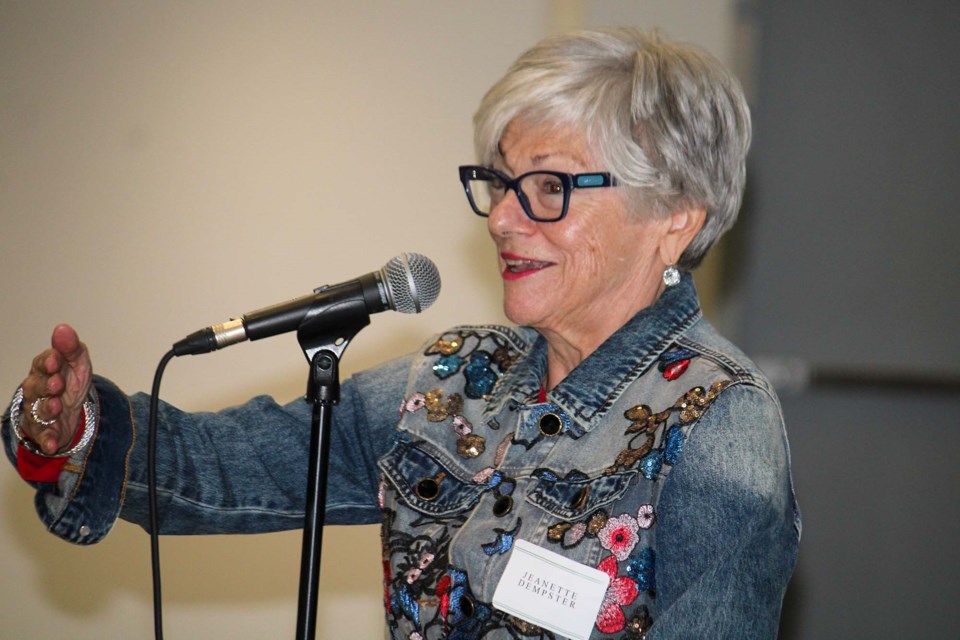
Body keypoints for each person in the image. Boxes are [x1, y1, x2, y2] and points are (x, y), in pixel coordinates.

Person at [2, 28, 799, 639]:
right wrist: (75, 432)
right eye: (497, 184)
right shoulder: (458, 379)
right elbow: (230, 469)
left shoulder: (718, 417)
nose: (504, 219)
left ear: (674, 217)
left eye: (549, 186)